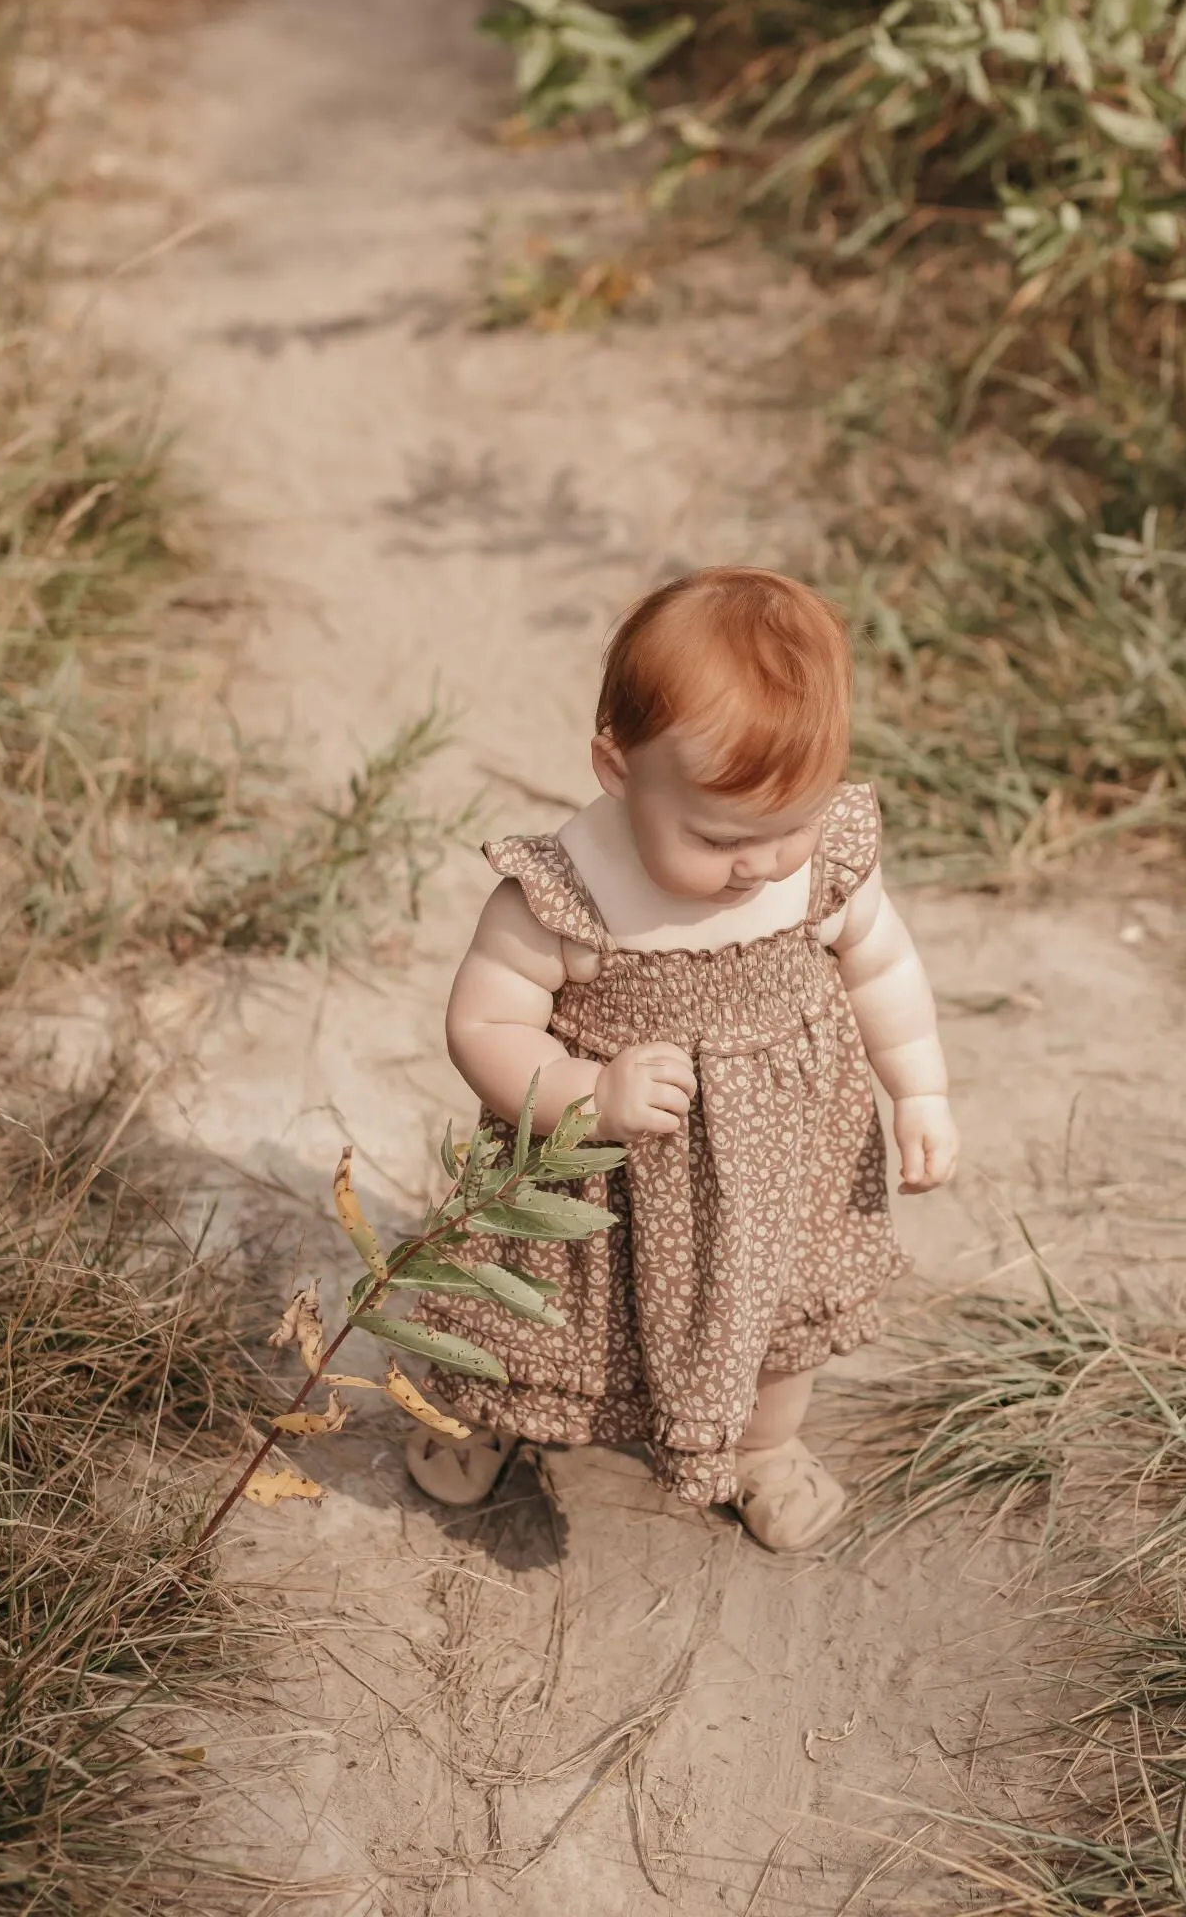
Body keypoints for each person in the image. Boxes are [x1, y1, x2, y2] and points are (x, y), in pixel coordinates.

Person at [407, 566, 958, 1552]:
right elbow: (483, 1028)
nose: (757, 862)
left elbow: (882, 961)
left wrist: (919, 1084)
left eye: (789, 825)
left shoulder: (820, 862)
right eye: (714, 835)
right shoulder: (565, 895)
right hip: (597, 1190)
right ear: (616, 769)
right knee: (530, 1314)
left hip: (783, 1177)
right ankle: (484, 1411)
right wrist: (587, 1093)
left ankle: (763, 1447)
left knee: (785, 1315)